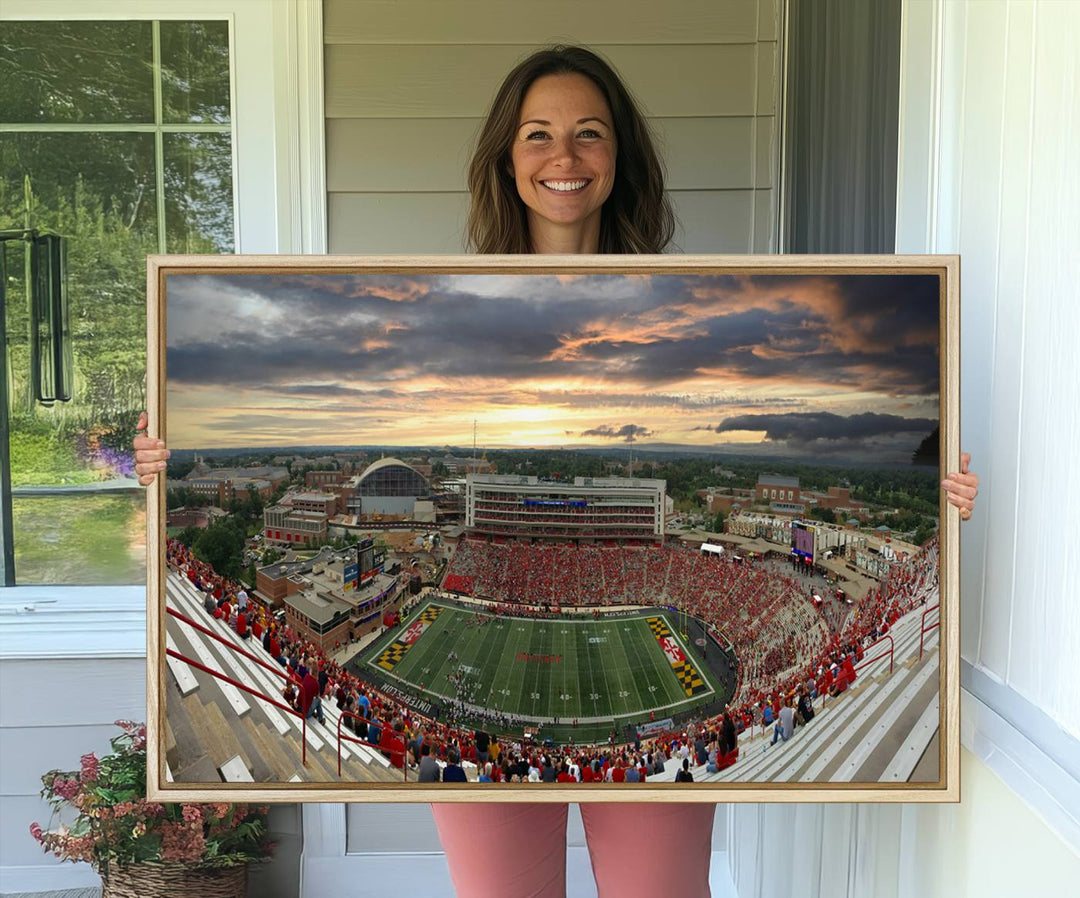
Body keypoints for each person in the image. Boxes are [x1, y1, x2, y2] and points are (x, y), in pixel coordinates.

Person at [134, 42, 980, 898]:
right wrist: (161, 470)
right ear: (507, 158)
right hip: (485, 747)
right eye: (537, 134)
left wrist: (940, 499)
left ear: (620, 158)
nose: (563, 157)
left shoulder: (679, 304)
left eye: (589, 133)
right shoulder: (442, 302)